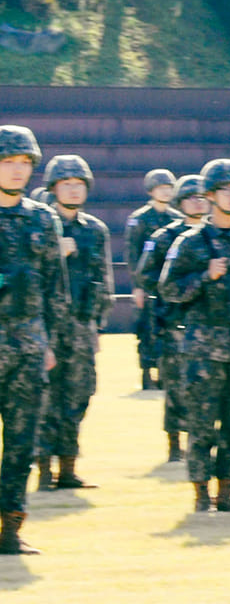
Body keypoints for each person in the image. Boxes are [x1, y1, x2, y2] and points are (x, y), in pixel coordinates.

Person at [158, 159, 230, 513]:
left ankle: (226, 493)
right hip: (203, 351)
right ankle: (200, 493)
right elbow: (167, 289)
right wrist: (203, 278)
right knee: (202, 426)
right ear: (210, 196)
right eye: (227, 189)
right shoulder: (190, 243)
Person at [0, 128, 65, 555]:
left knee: (21, 443)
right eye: (9, 161)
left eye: (25, 163)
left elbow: (55, 288)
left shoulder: (43, 218)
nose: (18, 170)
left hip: (27, 345)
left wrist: (50, 342)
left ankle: (8, 530)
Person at [35, 155, 110, 494]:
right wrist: (56, 253)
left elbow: (101, 279)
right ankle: (44, 469)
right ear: (52, 188)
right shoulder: (40, 224)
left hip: (80, 326)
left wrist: (96, 322)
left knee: (78, 395)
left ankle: (68, 467)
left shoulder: (95, 230)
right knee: (44, 397)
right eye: (66, 184)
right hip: (45, 327)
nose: (73, 189)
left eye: (79, 184)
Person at [139, 174, 207, 462]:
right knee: (176, 387)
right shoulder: (165, 237)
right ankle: (174, 444)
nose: (197, 202)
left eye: (201, 197)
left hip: (207, 326)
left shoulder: (215, 236)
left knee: (203, 389)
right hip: (174, 323)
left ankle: (198, 442)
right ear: (180, 202)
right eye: (191, 197)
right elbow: (147, 274)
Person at [124, 168, 179, 391]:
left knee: (168, 329)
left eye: (168, 188)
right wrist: (137, 286)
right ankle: (147, 374)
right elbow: (132, 254)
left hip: (170, 285)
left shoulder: (175, 218)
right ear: (151, 190)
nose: (165, 192)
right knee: (147, 329)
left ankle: (166, 374)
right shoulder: (139, 219)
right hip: (148, 284)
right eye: (161, 188)